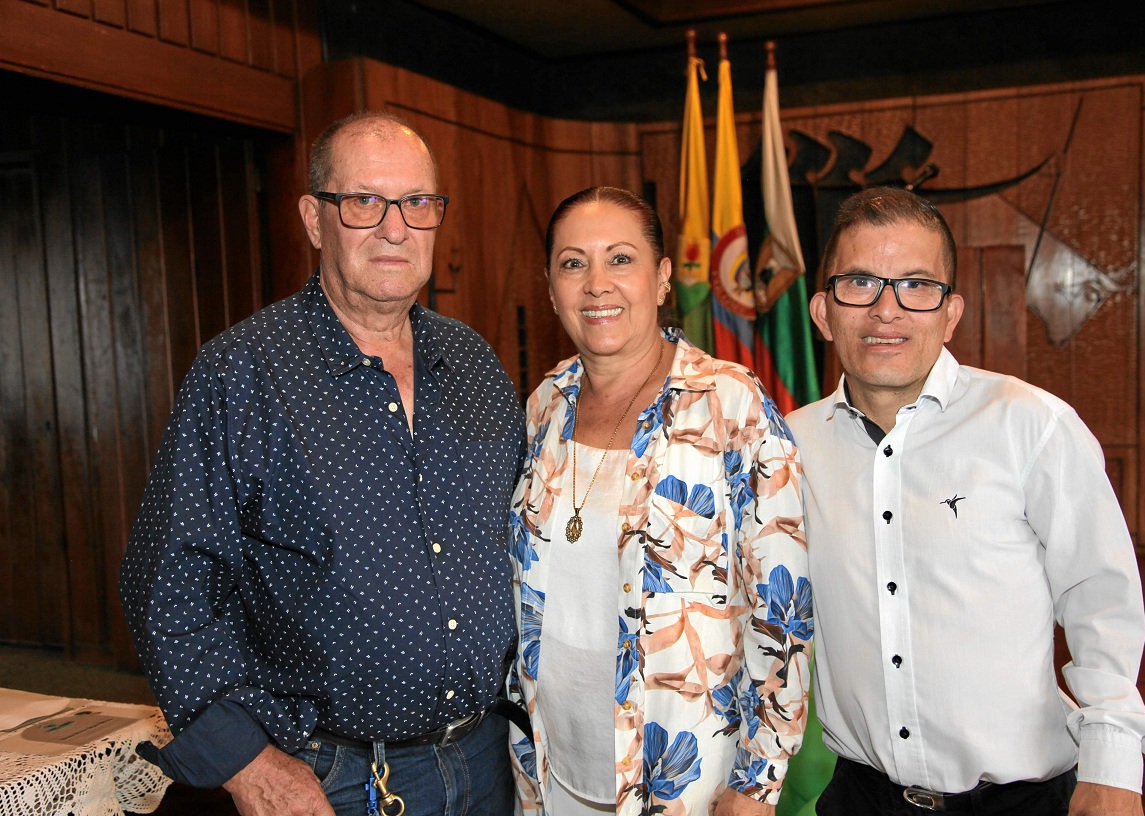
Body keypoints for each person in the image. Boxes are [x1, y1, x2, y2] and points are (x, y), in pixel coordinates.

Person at [118, 111, 525, 816]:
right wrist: (247, 764)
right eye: (365, 201)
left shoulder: (475, 366)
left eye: (418, 204)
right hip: (332, 778)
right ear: (314, 218)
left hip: (488, 762)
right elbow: (169, 589)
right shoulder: (241, 373)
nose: (395, 228)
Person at [786, 186, 1145, 816]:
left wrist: (1114, 765)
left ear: (951, 313)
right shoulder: (788, 447)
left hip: (1018, 802)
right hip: (858, 795)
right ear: (823, 312)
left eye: (915, 284)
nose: (888, 310)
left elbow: (1102, 599)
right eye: (860, 282)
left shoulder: (1031, 425)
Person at [506, 186, 812, 816]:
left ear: (663, 277)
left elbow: (784, 614)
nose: (597, 284)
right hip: (551, 773)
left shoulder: (730, 405)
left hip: (686, 786)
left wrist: (758, 783)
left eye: (621, 259)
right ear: (550, 283)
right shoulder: (543, 406)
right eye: (573, 263)